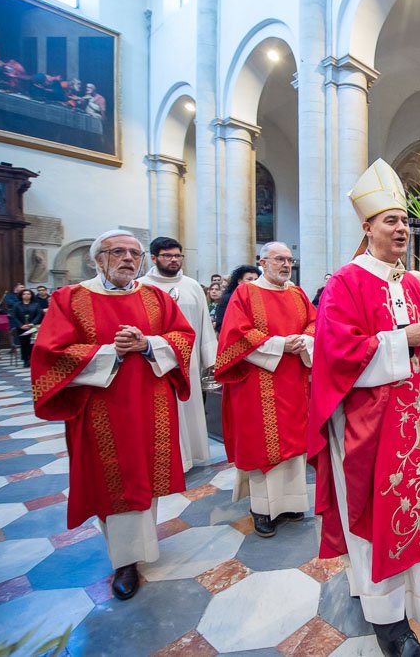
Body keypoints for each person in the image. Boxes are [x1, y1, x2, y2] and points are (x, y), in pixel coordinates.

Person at [308, 158, 420, 657]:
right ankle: (388, 622)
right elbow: (335, 352)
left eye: (405, 220)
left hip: (412, 423)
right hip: (368, 428)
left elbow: (417, 348)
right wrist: (402, 339)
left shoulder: (411, 284)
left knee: (413, 514)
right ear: (366, 227)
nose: (402, 228)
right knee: (374, 518)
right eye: (391, 220)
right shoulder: (346, 281)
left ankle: (413, 598)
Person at [30, 230, 195, 601]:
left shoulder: (154, 297)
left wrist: (149, 344)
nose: (127, 258)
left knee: (144, 475)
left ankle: (140, 548)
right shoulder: (71, 298)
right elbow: (50, 352)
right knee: (114, 480)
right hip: (101, 407)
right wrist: (113, 353)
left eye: (134, 253)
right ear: (96, 258)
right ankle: (125, 562)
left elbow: (183, 336)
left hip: (151, 402)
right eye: (117, 251)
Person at [215, 241, 315, 537]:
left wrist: (305, 340)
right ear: (262, 261)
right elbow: (236, 334)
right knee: (262, 445)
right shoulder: (246, 293)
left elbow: (314, 322)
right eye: (279, 259)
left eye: (289, 260)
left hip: (294, 380)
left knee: (294, 443)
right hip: (257, 382)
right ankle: (263, 509)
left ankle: (292, 503)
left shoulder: (297, 293)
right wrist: (281, 344)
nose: (286, 265)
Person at [139, 237, 219, 472]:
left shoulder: (192, 286)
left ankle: (191, 456)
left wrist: (210, 360)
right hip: (154, 361)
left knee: (190, 408)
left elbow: (205, 325)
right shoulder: (141, 286)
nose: (174, 260)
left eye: (177, 255)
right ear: (154, 258)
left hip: (190, 360)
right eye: (167, 255)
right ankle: (164, 458)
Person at [214, 265, 260, 332]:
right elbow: (220, 324)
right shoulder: (228, 298)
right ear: (240, 281)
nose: (253, 282)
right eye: (249, 279)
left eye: (256, 279)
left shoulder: (261, 298)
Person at [9, 288, 44, 368]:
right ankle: (25, 360)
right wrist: (20, 325)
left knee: (32, 344)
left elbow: (39, 315)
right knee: (24, 344)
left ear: (31, 295)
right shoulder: (17, 305)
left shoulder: (36, 304)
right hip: (21, 327)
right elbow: (14, 316)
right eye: (24, 294)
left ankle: (33, 359)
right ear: (21, 295)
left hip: (33, 327)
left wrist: (32, 323)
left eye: (28, 294)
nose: (26, 295)